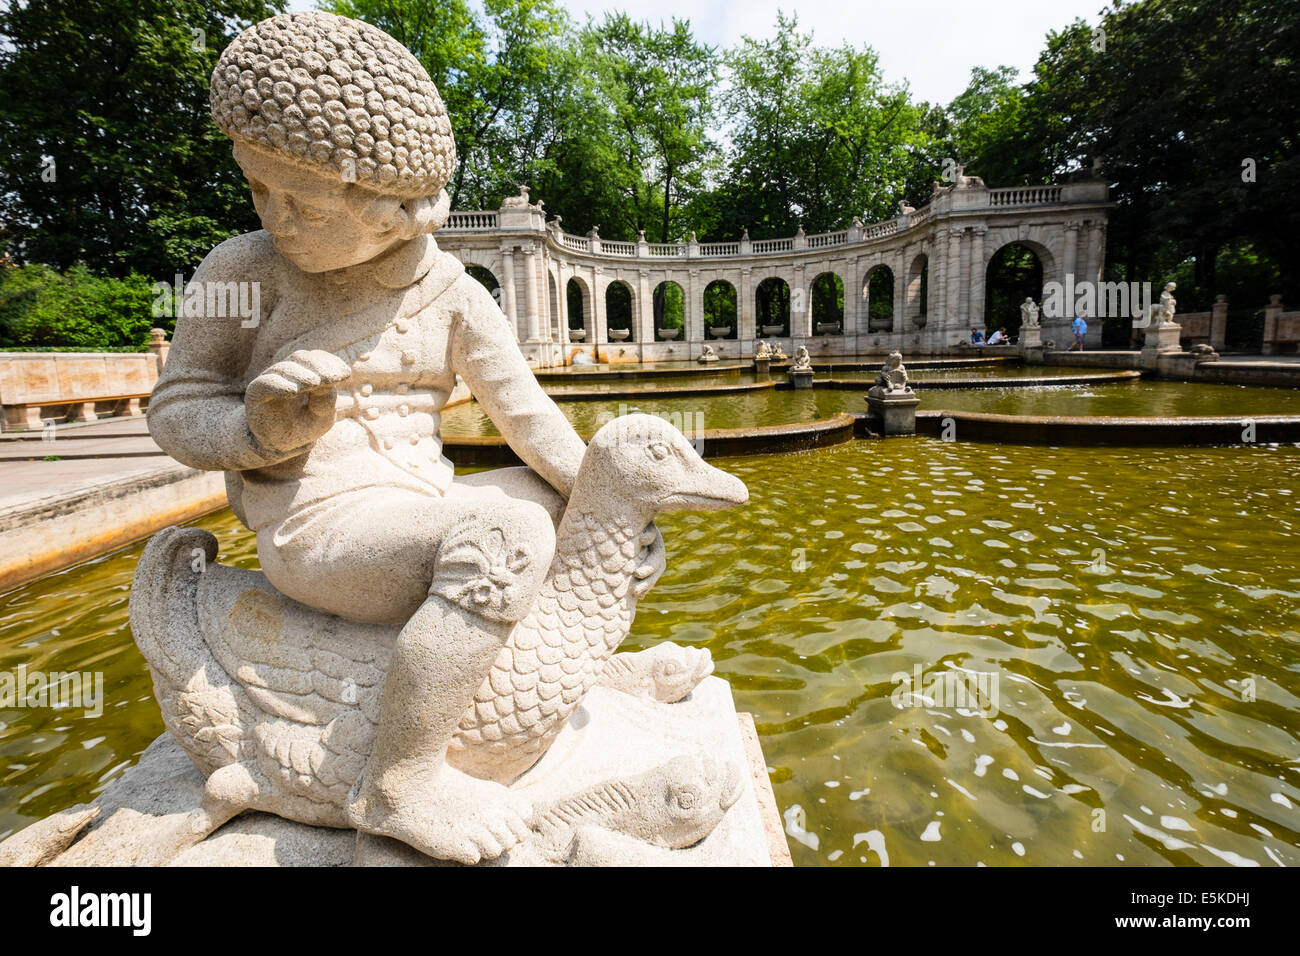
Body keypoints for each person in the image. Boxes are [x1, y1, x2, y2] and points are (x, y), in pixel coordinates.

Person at [148, 11, 665, 862]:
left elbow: (531, 421)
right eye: (257, 189)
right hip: (321, 525)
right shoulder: (242, 272)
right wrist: (254, 429)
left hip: (421, 506)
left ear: (400, 210)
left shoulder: (453, 291)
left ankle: (493, 677)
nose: (275, 217)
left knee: (553, 506)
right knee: (507, 532)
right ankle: (400, 782)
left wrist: (613, 515)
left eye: (305, 204)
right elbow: (176, 407)